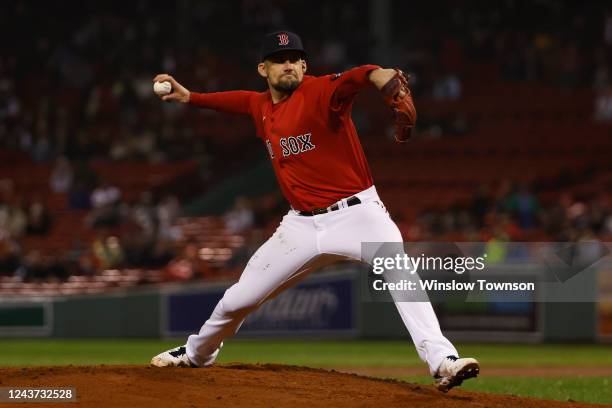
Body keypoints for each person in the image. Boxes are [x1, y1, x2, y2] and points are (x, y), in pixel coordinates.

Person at [150, 31, 479, 392]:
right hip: (300, 226)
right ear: (264, 69)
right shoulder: (261, 107)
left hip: (357, 213)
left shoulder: (322, 92)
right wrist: (190, 97)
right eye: (279, 59)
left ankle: (442, 360)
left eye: (295, 58)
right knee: (237, 299)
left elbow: (358, 76)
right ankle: (198, 353)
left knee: (400, 273)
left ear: (305, 65)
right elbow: (235, 101)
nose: (288, 64)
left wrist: (377, 74)